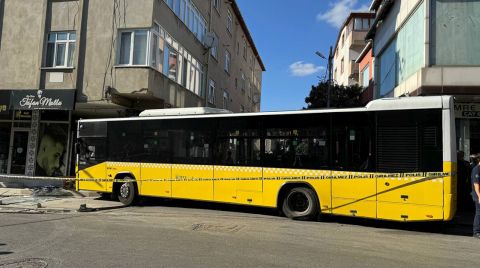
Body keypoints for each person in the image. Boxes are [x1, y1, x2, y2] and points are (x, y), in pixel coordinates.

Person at [471, 153, 480, 239]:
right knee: (479, 213)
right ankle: (476, 232)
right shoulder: (476, 169)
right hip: (478, 195)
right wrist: (479, 196)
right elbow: (476, 184)